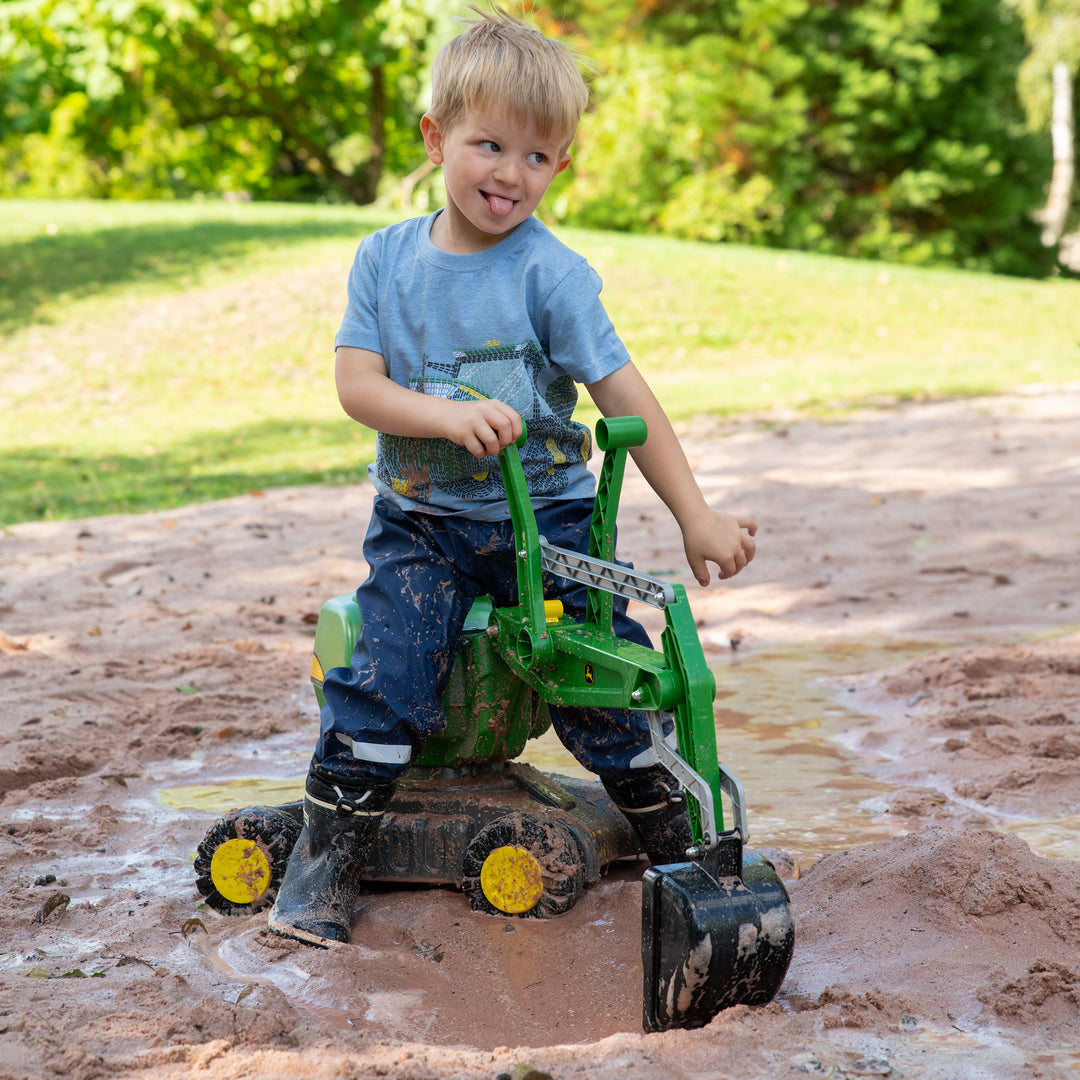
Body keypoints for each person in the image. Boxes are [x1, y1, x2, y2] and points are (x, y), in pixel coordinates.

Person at [268, 6, 757, 948]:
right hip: (419, 522)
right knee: (385, 673)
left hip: (547, 526)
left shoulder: (553, 277)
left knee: (595, 673)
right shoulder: (384, 261)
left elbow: (628, 397)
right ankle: (327, 865)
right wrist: (446, 417)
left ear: (562, 165)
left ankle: (678, 850)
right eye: (489, 145)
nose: (510, 174)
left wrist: (695, 514)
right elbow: (356, 385)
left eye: (538, 157)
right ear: (435, 136)